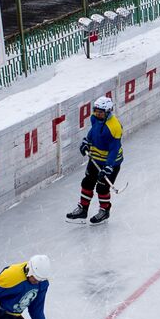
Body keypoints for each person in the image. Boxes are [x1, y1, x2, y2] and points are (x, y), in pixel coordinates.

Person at [68, 95, 122, 225]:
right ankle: (83, 209)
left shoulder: (114, 127)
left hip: (111, 162)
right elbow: (93, 132)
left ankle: (104, 210)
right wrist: (87, 141)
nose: (97, 114)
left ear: (108, 112)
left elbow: (114, 149)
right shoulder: (95, 118)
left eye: (100, 112)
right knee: (87, 183)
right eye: (96, 111)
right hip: (95, 159)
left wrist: (109, 166)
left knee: (102, 188)